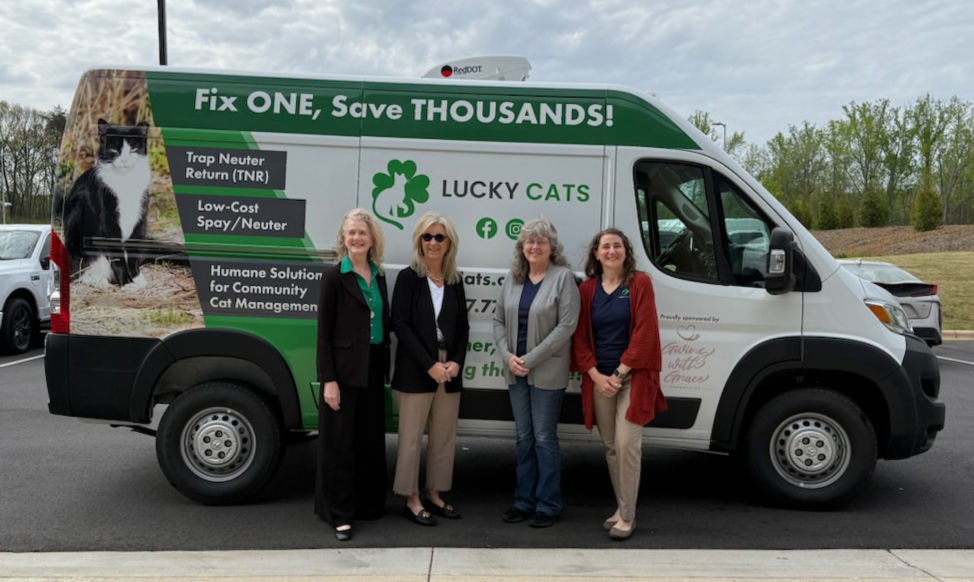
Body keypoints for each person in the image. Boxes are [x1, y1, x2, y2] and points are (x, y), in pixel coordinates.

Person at [571, 228, 666, 540]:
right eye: (605, 247)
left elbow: (645, 332)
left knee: (627, 445)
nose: (611, 251)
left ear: (626, 251)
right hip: (600, 380)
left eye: (617, 246)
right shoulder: (587, 289)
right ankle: (620, 507)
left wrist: (619, 374)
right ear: (596, 254)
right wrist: (597, 376)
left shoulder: (639, 283)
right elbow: (581, 339)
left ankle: (628, 516)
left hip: (631, 378)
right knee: (611, 447)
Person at [492, 218, 580, 528]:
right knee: (523, 437)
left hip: (547, 372)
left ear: (551, 247)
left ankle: (548, 503)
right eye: (529, 241)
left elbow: (566, 326)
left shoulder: (563, 278)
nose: (534, 246)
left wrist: (529, 358)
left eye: (541, 241)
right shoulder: (513, 279)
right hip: (516, 371)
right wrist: (508, 357)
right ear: (522, 247)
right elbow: (498, 321)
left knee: (544, 438)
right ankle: (523, 501)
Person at [315, 208, 391, 542]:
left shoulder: (380, 275)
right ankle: (339, 514)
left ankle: (367, 505)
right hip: (343, 373)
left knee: (369, 441)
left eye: (362, 232)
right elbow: (323, 333)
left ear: (372, 238)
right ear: (343, 239)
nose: (357, 238)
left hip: (373, 367)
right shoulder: (335, 277)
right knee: (340, 446)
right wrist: (328, 380)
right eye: (351, 233)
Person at [391, 213, 469, 526]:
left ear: (449, 242)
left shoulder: (454, 279)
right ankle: (411, 498)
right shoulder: (409, 277)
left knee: (443, 436)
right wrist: (430, 365)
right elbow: (401, 325)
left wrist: (456, 361)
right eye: (427, 236)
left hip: (448, 370)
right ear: (419, 241)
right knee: (411, 438)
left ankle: (435, 492)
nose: (433, 243)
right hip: (417, 368)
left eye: (439, 237)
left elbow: (463, 326)